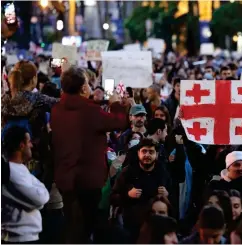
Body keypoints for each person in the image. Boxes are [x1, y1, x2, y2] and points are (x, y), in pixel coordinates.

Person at [51, 66, 128, 243]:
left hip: (65, 178)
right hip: (88, 180)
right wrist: (115, 103)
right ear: (83, 88)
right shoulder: (90, 112)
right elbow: (119, 121)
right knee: (84, 229)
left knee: (72, 224)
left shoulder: (57, 109)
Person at [110, 138, 171, 242]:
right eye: (144, 151)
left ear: (156, 155)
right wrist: (128, 194)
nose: (147, 155)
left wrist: (167, 194)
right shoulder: (128, 172)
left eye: (151, 152)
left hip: (156, 226)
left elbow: (173, 198)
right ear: (138, 153)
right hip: (132, 227)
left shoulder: (163, 172)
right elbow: (112, 198)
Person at [1, 126, 50, 243]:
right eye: (29, 142)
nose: (31, 146)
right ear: (21, 145)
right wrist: (38, 192)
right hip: (19, 239)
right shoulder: (10, 172)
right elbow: (41, 198)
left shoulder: (20, 169)